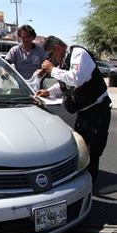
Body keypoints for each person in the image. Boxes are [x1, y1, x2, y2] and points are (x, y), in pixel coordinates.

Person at [36, 36, 112, 184]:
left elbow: (76, 78)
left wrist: (52, 70)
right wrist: (48, 92)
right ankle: (80, 180)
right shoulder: (65, 61)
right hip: (85, 111)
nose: (52, 59)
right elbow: (64, 83)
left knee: (93, 151)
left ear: (57, 48)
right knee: (80, 148)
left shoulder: (78, 54)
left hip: (97, 111)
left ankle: (89, 184)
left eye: (51, 55)